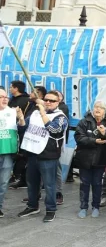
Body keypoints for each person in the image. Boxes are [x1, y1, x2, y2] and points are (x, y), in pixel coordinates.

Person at [16, 90, 68, 222]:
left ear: (58, 102)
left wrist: (43, 113)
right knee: (32, 183)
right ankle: (32, 206)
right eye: (46, 100)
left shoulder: (61, 117)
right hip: (33, 153)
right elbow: (23, 128)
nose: (48, 102)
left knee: (49, 185)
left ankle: (51, 209)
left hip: (48, 156)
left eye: (52, 101)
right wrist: (21, 118)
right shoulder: (35, 113)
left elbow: (54, 130)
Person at [74, 101, 106, 218]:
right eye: (96, 107)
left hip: (101, 158)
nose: (98, 109)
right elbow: (78, 137)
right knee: (84, 183)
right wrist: (94, 141)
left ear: (105, 111)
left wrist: (105, 133)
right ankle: (83, 207)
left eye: (101, 107)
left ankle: (96, 206)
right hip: (84, 158)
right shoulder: (84, 121)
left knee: (97, 183)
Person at [9, 85, 47, 190]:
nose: (30, 93)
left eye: (33, 92)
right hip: (26, 135)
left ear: (40, 95)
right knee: (25, 159)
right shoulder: (30, 104)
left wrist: (42, 104)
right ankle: (24, 181)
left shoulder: (42, 107)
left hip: (38, 141)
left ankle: (39, 186)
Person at [0, 88, 17, 217]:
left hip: (7, 153)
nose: (5, 99)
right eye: (1, 97)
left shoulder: (13, 112)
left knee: (4, 182)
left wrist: (21, 119)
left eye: (6, 96)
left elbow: (22, 126)